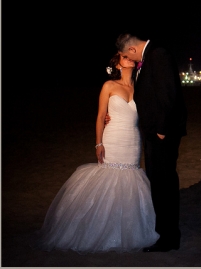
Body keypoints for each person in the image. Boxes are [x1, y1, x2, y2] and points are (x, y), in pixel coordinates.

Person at [34, 54, 159, 253]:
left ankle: (129, 228)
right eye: (124, 57)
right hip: (112, 138)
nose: (129, 59)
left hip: (133, 140)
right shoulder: (109, 86)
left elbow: (148, 112)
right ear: (117, 64)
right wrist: (98, 144)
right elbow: (101, 116)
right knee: (109, 176)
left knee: (131, 179)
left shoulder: (139, 88)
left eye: (130, 56)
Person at [115, 32, 187, 252]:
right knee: (159, 183)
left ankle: (168, 238)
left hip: (160, 133)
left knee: (163, 184)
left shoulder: (158, 55)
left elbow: (168, 93)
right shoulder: (152, 56)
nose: (131, 60)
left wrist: (162, 129)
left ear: (132, 49)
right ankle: (165, 234)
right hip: (154, 132)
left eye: (129, 56)